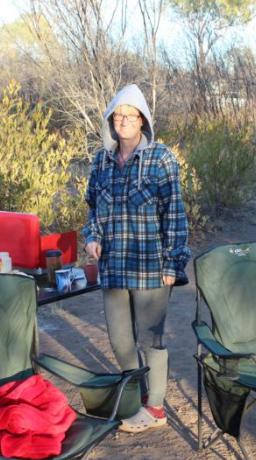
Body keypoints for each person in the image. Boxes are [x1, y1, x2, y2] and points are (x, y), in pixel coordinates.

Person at [82, 84, 190, 433]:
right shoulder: (101, 160)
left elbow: (175, 214)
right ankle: (136, 393)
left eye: (131, 115)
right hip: (113, 265)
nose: (124, 120)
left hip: (150, 265)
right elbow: (92, 209)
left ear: (143, 120)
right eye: (118, 115)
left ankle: (155, 408)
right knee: (120, 340)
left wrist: (173, 263)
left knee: (150, 339)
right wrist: (92, 237)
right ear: (110, 120)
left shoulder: (161, 159)